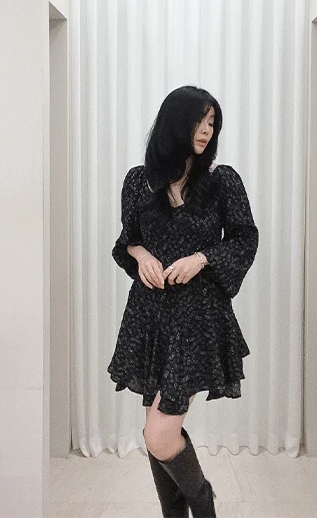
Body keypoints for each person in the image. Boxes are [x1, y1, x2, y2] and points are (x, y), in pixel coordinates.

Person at [108, 85, 259, 517]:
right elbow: (127, 241)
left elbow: (245, 240)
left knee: (159, 434)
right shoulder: (139, 182)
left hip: (198, 318)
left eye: (212, 122)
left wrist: (201, 258)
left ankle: (203, 503)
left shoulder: (222, 181)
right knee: (156, 431)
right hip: (150, 316)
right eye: (200, 121)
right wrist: (142, 256)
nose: (207, 130)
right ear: (175, 123)